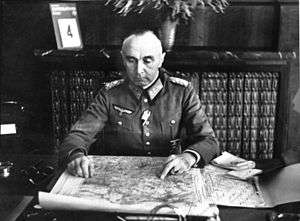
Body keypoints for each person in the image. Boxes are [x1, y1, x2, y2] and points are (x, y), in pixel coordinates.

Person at [59, 29, 219, 179]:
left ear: (161, 59)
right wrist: (76, 156)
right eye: (131, 60)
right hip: (118, 178)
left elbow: (209, 141)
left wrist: (187, 158)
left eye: (147, 60)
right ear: (123, 58)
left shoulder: (182, 92)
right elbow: (77, 135)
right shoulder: (109, 94)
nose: (139, 70)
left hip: (168, 175)